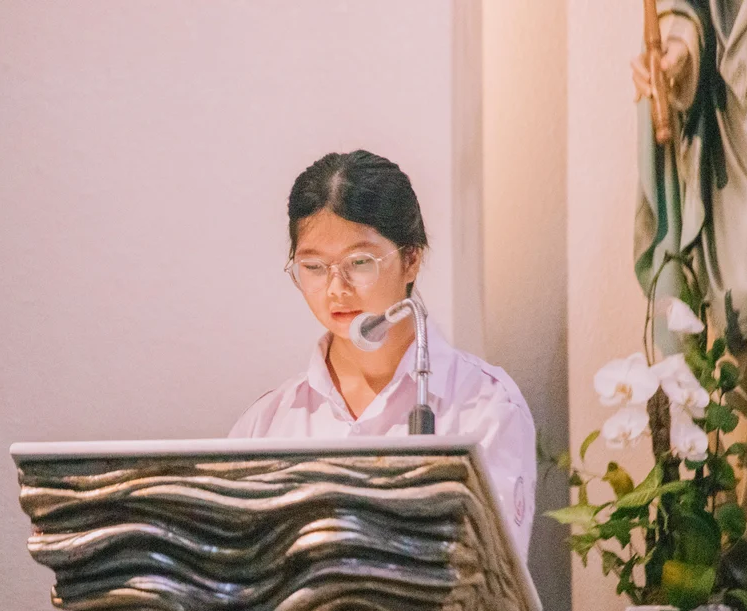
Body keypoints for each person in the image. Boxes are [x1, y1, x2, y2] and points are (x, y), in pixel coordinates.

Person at [228, 150, 536, 561]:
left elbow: (490, 572)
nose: (336, 288)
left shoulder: (485, 405)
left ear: (411, 259)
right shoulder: (268, 423)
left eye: (359, 262)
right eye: (314, 267)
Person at [631, 1, 747, 588]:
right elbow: (693, 11)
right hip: (729, 133)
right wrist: (676, 50)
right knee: (731, 352)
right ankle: (740, 527)